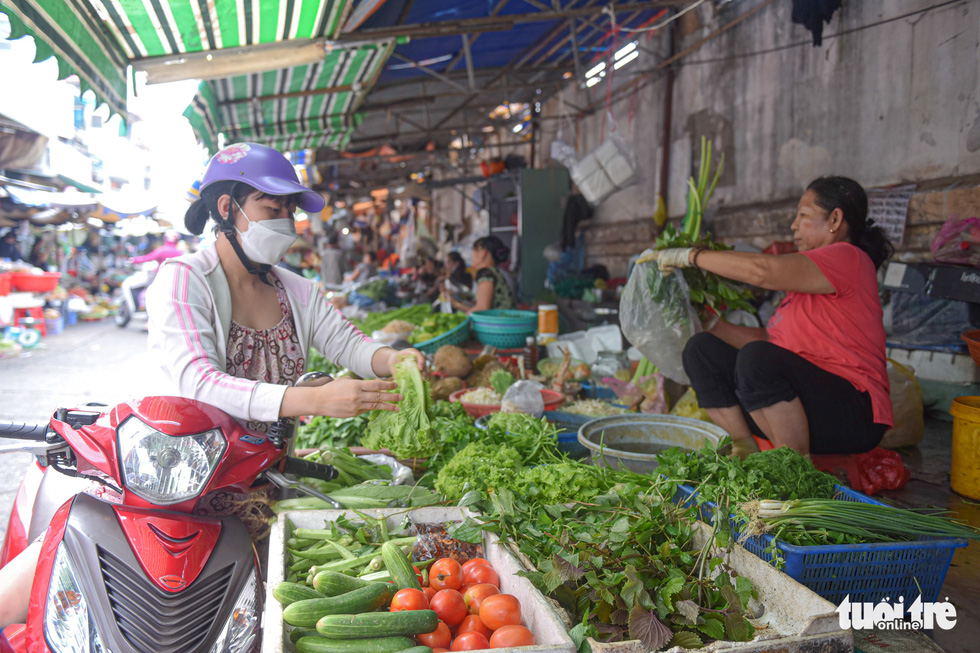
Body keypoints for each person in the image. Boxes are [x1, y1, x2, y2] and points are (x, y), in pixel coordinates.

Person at [146, 142, 423, 431]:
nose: (286, 224)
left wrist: (394, 359)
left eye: (290, 212)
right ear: (228, 208)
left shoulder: (297, 290)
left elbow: (350, 345)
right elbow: (199, 383)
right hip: (196, 468)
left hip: (273, 468)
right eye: (273, 209)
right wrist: (313, 400)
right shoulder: (185, 280)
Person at [657, 176, 893, 458]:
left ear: (835, 219)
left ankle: (792, 467)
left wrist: (690, 256)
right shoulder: (803, 286)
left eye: (803, 215)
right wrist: (710, 323)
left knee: (757, 359)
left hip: (854, 413)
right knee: (701, 349)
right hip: (804, 403)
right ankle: (744, 448)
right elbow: (771, 342)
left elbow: (762, 271)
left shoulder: (849, 258)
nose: (794, 225)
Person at [451, 236, 516, 313]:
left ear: (483, 252)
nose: (472, 255)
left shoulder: (485, 273)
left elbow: (482, 309)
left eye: (474, 250)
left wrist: (456, 304)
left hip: (500, 323)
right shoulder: (495, 272)